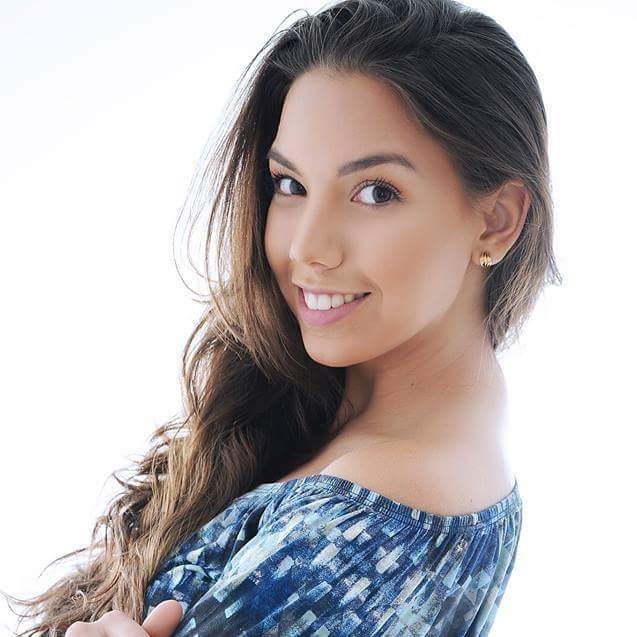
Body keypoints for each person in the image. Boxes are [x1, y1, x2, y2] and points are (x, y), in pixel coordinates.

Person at [4, 0, 561, 635]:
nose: (307, 248)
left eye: (375, 192)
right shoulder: (392, 430)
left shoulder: (359, 527)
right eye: (290, 185)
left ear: (496, 220)